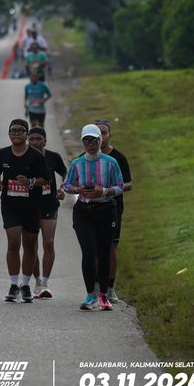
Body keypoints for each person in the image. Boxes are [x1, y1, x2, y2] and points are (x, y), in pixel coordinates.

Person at [63, 123, 124, 311]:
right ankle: (91, 295)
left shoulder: (111, 162)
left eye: (94, 140)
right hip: (84, 212)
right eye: (86, 141)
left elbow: (120, 186)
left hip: (106, 210)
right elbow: (66, 185)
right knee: (89, 252)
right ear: (83, 142)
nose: (90, 144)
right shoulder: (77, 163)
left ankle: (103, 295)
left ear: (100, 140)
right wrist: (78, 189)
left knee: (104, 253)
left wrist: (103, 191)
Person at [0, 118, 50, 303]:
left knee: (30, 245)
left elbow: (46, 178)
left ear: (26, 134)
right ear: (9, 134)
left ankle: (25, 285)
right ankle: (13, 284)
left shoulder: (35, 156)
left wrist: (30, 182)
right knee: (13, 241)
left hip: (31, 206)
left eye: (20, 131)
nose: (16, 134)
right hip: (10, 205)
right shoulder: (2, 154)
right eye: (13, 130)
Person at [95, 119, 133, 303]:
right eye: (97, 133)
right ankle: (95, 286)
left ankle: (110, 287)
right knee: (94, 247)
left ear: (109, 135)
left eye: (104, 132)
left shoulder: (119, 158)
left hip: (113, 208)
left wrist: (108, 190)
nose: (101, 136)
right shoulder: (85, 157)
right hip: (91, 208)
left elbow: (129, 184)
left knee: (111, 247)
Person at [27, 127, 67, 299]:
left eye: (39, 139)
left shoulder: (53, 157)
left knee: (48, 242)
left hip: (49, 204)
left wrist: (62, 188)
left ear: (45, 141)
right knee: (32, 244)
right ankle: (37, 282)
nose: (35, 142)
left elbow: (65, 173)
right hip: (29, 205)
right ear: (28, 140)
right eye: (32, 139)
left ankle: (44, 282)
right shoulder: (23, 157)